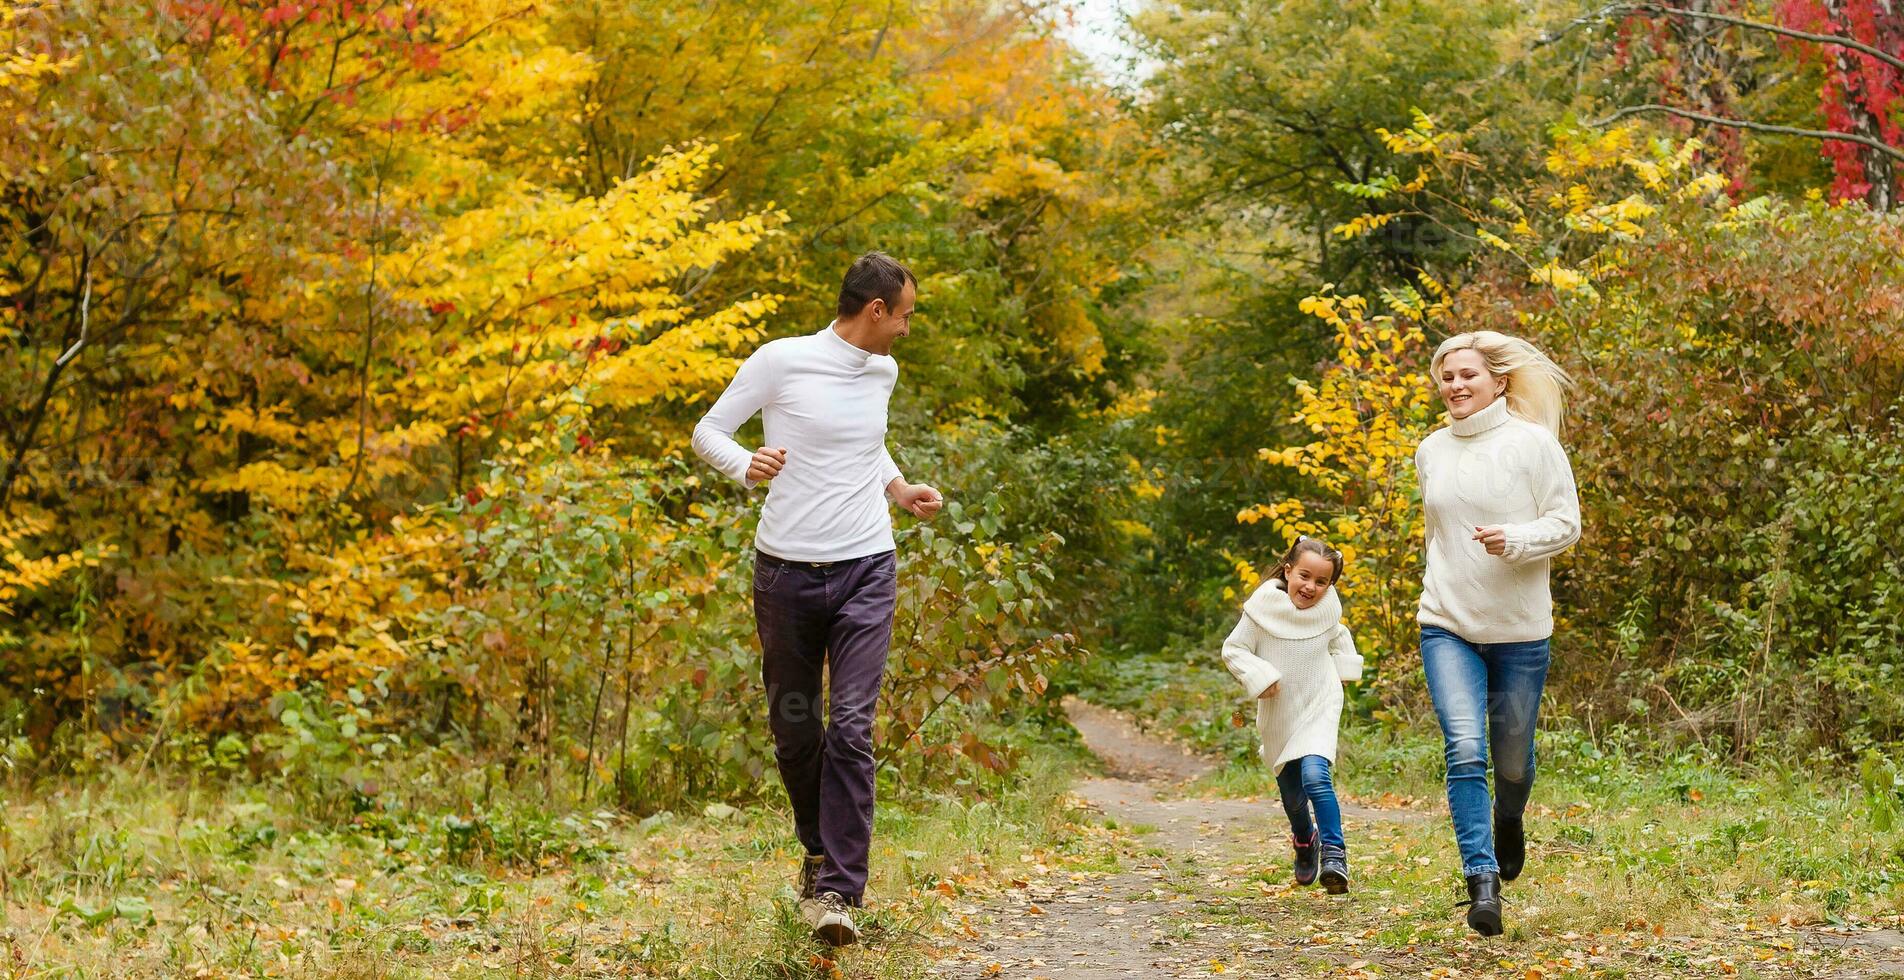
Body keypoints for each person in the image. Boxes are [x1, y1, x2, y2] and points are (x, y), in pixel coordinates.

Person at [691, 251, 944, 946]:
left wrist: (897, 489)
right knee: (797, 728)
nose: (908, 328)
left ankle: (839, 892)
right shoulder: (781, 361)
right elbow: (707, 430)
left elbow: (869, 445)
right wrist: (747, 463)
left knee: (853, 727)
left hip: (867, 566)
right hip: (787, 576)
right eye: (906, 315)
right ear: (875, 311)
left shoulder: (883, 372)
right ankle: (816, 849)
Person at [1413, 330, 1581, 936]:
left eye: (1467, 375)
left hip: (1519, 631)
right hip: (1446, 625)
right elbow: (1438, 535)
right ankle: (1481, 882)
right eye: (1447, 376)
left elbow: (1566, 523)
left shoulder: (1533, 446)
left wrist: (1516, 539)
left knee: (1511, 762)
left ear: (1499, 382)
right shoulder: (1430, 449)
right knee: (1464, 750)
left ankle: (1509, 817)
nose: (1455, 385)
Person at [1220, 535, 1363, 893]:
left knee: (1316, 776)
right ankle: (1305, 840)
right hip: (1280, 713)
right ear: (1288, 571)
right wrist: (1259, 675)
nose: (1310, 587)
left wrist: (1345, 672)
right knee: (1294, 798)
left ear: (1329, 585)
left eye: (1321, 581)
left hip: (1319, 702)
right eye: (1304, 576)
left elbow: (1339, 636)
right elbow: (1234, 649)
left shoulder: (1328, 612)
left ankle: (1335, 853)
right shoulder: (1261, 610)